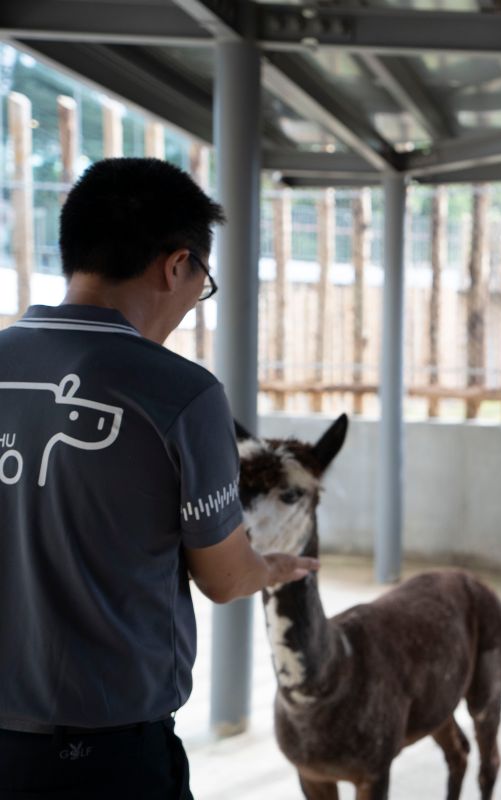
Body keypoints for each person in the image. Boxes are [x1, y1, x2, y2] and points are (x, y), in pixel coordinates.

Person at [0, 158, 318, 799]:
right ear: (176, 266)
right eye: (203, 280)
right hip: (108, 753)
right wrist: (269, 567)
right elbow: (224, 577)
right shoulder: (182, 394)